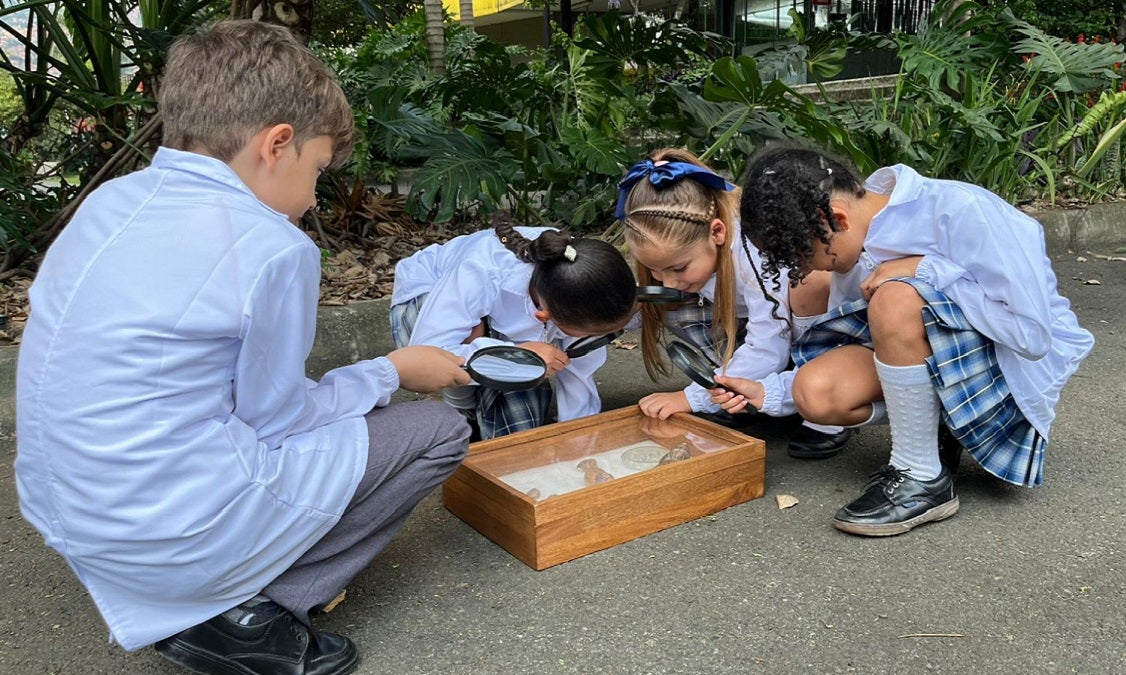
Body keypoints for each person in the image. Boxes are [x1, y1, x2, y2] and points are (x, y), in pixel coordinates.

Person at [14, 20, 473, 675]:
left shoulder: (112, 204)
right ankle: (247, 617)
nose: (313, 197)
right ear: (277, 144)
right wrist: (393, 368)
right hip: (173, 530)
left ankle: (202, 592)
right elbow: (278, 419)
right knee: (434, 428)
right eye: (316, 170)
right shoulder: (270, 245)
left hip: (69, 510)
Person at [713, 141, 1095, 536]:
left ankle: (921, 476)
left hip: (1017, 374)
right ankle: (934, 433)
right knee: (816, 392)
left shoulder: (960, 209)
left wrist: (925, 269)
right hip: (954, 363)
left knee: (895, 298)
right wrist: (765, 392)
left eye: (805, 258)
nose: (805, 271)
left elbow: (1031, 336)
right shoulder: (855, 242)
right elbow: (855, 350)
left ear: (837, 220)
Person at [616, 147, 852, 458]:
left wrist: (693, 398)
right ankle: (737, 392)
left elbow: (770, 342)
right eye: (656, 270)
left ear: (717, 231)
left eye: (678, 268)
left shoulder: (755, 249)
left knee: (808, 285)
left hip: (806, 323)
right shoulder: (683, 256)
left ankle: (828, 413)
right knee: (669, 300)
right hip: (750, 320)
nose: (667, 281)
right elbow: (641, 304)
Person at [390, 215, 637, 439]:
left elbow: (579, 371)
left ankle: (485, 410)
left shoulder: (579, 280)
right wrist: (517, 356)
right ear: (545, 317)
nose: (596, 340)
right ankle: (461, 405)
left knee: (520, 422)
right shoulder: (481, 273)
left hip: (502, 325)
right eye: (587, 335)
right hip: (425, 308)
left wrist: (578, 437)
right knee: (483, 341)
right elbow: (423, 354)